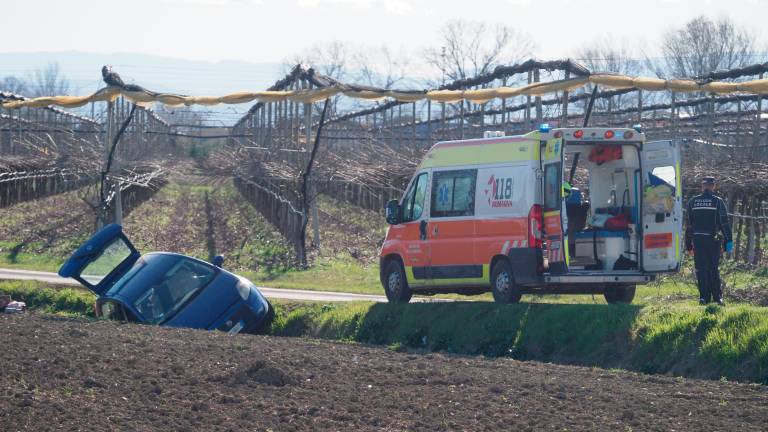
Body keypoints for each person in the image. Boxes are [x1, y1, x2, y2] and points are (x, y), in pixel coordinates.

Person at [684, 176, 732, 306]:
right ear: (713, 186)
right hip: (713, 240)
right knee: (713, 269)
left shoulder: (692, 202)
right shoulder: (718, 201)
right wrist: (729, 243)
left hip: (698, 241)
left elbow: (688, 226)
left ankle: (703, 298)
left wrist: (688, 245)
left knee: (701, 269)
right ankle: (718, 298)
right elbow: (724, 223)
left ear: (702, 186)